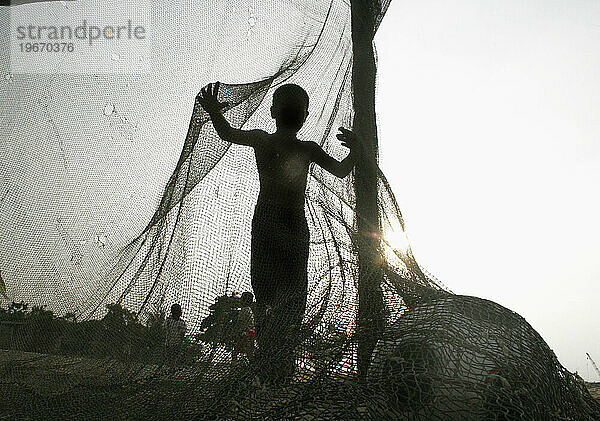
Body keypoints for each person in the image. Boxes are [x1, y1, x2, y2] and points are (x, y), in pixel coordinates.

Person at [196, 82, 360, 382]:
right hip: (293, 224)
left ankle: (269, 362)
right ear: (305, 117)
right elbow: (341, 169)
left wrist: (215, 111)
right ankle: (281, 364)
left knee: (266, 294)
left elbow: (227, 133)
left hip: (268, 222)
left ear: (273, 112)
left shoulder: (263, 140)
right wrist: (358, 150)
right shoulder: (306, 148)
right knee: (293, 295)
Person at [232, 291, 256, 365]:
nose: (240, 300)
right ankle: (253, 366)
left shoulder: (244, 310)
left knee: (235, 352)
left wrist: (233, 332)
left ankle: (232, 369)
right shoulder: (249, 309)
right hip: (250, 333)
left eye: (242, 299)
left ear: (245, 300)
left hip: (246, 333)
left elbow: (240, 323)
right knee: (248, 353)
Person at [163, 303, 187, 367]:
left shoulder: (180, 322)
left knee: (173, 358)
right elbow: (165, 330)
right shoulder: (169, 320)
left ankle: (172, 368)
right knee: (171, 358)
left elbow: (182, 334)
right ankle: (171, 368)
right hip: (170, 343)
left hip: (174, 343)